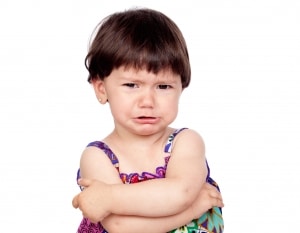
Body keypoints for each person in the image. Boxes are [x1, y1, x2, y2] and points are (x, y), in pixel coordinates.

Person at [72, 7, 224, 233]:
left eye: (163, 86)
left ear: (181, 88)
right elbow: (120, 226)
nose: (148, 101)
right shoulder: (96, 156)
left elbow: (180, 192)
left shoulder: (186, 142)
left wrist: (109, 198)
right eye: (132, 85)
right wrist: (195, 208)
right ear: (101, 89)